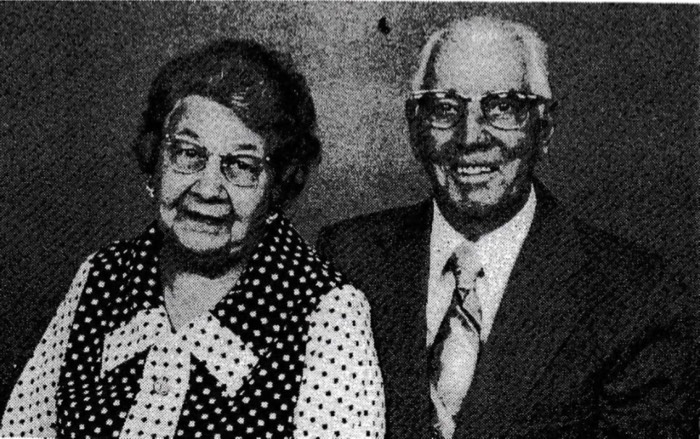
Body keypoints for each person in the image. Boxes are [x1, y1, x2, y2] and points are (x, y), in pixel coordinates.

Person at [317, 16, 698, 439]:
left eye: (502, 107)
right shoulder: (347, 259)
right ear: (414, 127)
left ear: (543, 129)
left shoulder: (637, 299)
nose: (470, 137)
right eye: (444, 108)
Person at [1, 39, 384, 438]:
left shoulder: (328, 314)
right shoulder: (101, 277)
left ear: (277, 188)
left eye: (241, 165)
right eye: (188, 154)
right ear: (156, 163)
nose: (208, 188)